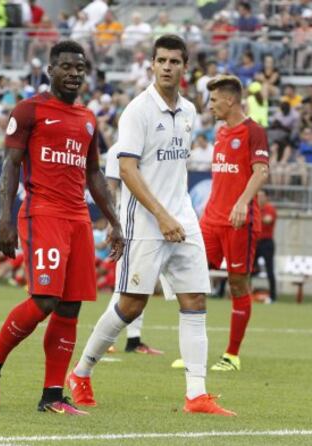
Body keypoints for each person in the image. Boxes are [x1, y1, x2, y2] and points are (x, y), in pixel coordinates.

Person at [65, 35, 236, 416]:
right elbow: (126, 168)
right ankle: (81, 371)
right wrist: (158, 216)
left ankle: (196, 395)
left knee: (195, 300)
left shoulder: (190, 110)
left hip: (183, 219)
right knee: (130, 304)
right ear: (153, 65)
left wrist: (175, 215)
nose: (167, 67)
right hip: (145, 220)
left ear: (185, 65)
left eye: (175, 61)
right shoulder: (137, 111)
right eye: (161, 60)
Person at [0, 40, 124, 416]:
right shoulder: (30, 110)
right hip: (42, 212)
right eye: (67, 67)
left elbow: (93, 173)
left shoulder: (88, 118)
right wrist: (5, 219)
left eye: (80, 68)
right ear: (50, 70)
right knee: (44, 300)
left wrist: (115, 221)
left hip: (77, 217)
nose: (74, 73)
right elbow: (10, 164)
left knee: (70, 307)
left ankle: (52, 396)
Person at [200, 74, 269, 372]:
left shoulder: (254, 131)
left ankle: (231, 355)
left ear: (229, 100)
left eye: (214, 100)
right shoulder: (219, 132)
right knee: (191, 277)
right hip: (211, 221)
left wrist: (242, 202)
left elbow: (261, 172)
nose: (210, 105)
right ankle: (194, 351)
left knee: (237, 283)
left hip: (239, 222)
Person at [104, 142, 164, 355]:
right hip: (128, 222)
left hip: (152, 221)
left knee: (140, 283)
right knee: (126, 285)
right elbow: (111, 186)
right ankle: (104, 337)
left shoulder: (151, 144)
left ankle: (133, 340)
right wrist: (112, 222)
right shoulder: (117, 149)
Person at [254, 190, 277, 302]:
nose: (260, 198)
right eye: (258, 196)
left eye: (262, 196)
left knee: (269, 270)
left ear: (266, 197)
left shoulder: (269, 208)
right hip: (256, 242)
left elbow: (268, 220)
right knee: (248, 268)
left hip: (267, 243)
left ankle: (272, 296)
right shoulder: (255, 208)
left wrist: (256, 218)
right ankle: (247, 294)